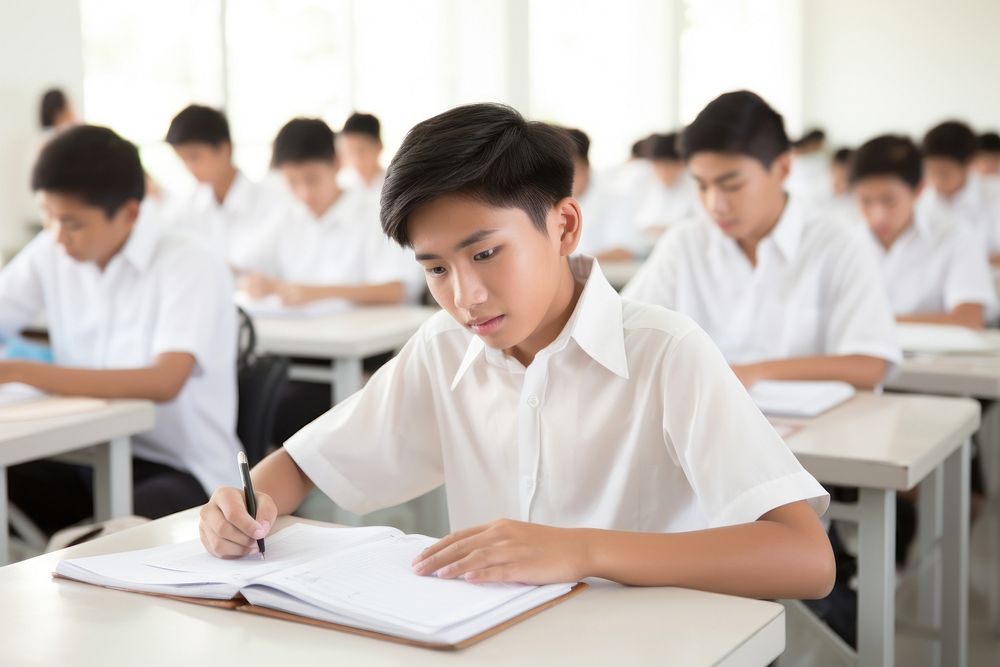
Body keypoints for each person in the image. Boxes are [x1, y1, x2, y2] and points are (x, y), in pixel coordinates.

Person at [198, 103, 834, 601]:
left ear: (564, 225)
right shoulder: (445, 348)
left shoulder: (667, 353)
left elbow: (806, 559)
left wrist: (582, 550)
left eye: (485, 253)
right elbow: (306, 464)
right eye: (436, 270)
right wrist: (242, 507)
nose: (466, 295)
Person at [0, 125, 241, 533]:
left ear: (130, 212)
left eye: (72, 222)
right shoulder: (52, 248)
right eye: (48, 216)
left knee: (90, 544)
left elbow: (164, 381)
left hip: (182, 471)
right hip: (83, 451)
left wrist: (19, 370)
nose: (58, 235)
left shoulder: (189, 262)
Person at [624, 91, 901, 389]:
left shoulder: (837, 244)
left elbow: (870, 364)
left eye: (731, 185)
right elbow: (623, 333)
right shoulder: (685, 243)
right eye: (702, 186)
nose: (715, 204)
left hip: (816, 429)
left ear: (782, 168)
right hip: (701, 425)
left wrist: (750, 373)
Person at [164, 104, 282, 269]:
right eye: (183, 160)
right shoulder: (184, 208)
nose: (189, 168)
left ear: (225, 148)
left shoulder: (272, 203)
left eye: (194, 157)